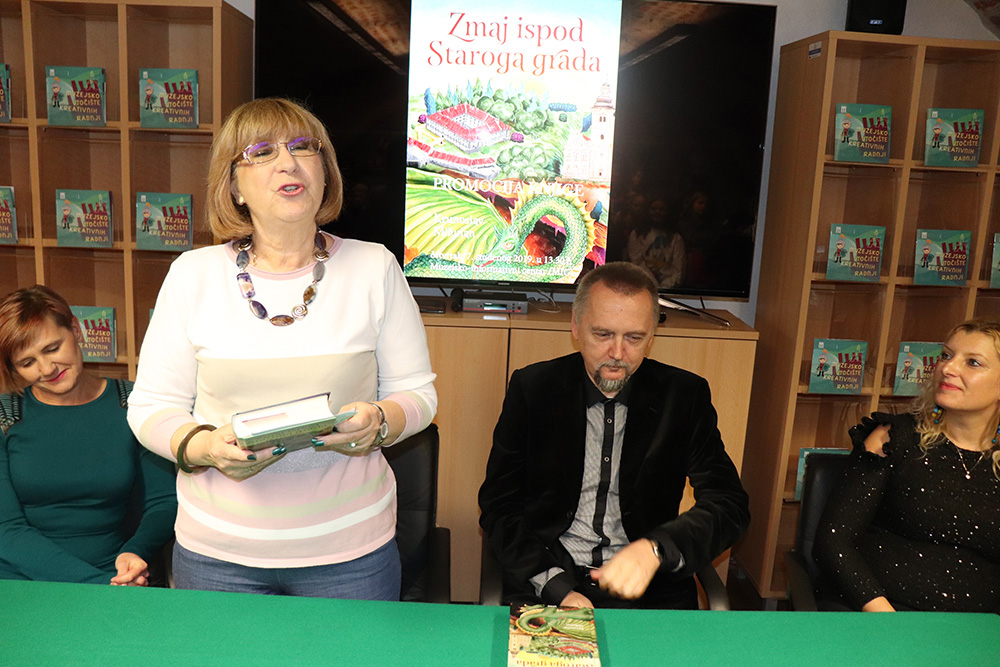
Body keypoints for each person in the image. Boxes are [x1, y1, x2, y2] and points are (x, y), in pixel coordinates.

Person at [126, 98, 437, 600]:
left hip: (351, 555)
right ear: (234, 186)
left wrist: (380, 421)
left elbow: (418, 395)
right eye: (262, 152)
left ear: (324, 171)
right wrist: (204, 448)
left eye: (302, 147)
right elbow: (150, 407)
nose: (288, 163)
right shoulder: (192, 275)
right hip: (218, 556)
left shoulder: (375, 267)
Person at [478, 262, 749, 609]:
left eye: (634, 338)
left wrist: (657, 549)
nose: (618, 354)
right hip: (548, 579)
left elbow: (729, 505)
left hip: (650, 589)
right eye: (603, 334)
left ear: (651, 336)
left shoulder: (684, 396)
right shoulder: (533, 389)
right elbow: (499, 505)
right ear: (576, 326)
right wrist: (557, 587)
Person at [815, 319, 1000, 612]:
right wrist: (890, 621)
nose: (948, 368)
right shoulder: (893, 438)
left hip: (978, 628)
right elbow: (833, 542)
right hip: (880, 614)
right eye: (946, 355)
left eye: (973, 362)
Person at [0, 285, 176, 585]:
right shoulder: (5, 415)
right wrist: (97, 584)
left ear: (76, 329)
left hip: (118, 573)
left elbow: (163, 502)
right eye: (27, 363)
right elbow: (5, 528)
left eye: (52, 348)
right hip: (22, 580)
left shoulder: (134, 402)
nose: (47, 368)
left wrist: (135, 553)